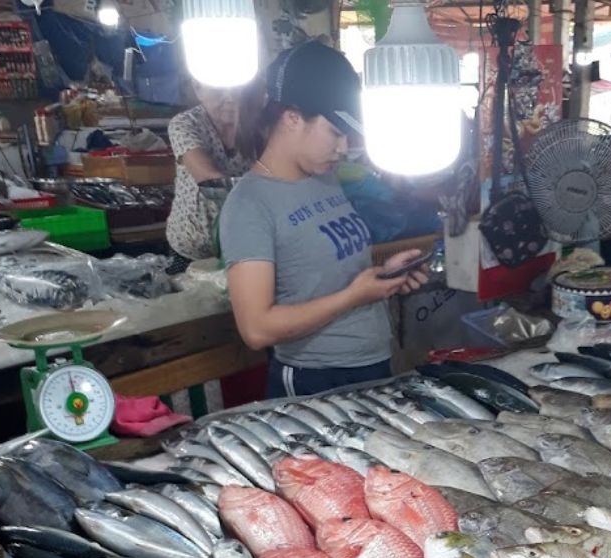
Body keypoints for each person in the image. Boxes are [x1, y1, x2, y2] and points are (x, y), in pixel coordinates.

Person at [219, 42, 427, 399]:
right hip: (314, 381)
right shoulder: (249, 205)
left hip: (371, 364)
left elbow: (329, 270)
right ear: (292, 118)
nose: (344, 147)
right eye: (335, 132)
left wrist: (385, 274)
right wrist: (353, 297)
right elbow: (256, 329)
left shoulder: (324, 177)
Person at [166, 80, 262, 270]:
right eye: (219, 88)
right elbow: (209, 178)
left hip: (243, 247)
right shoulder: (185, 124)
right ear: (198, 89)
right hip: (190, 249)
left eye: (236, 86)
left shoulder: (258, 127)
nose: (230, 96)